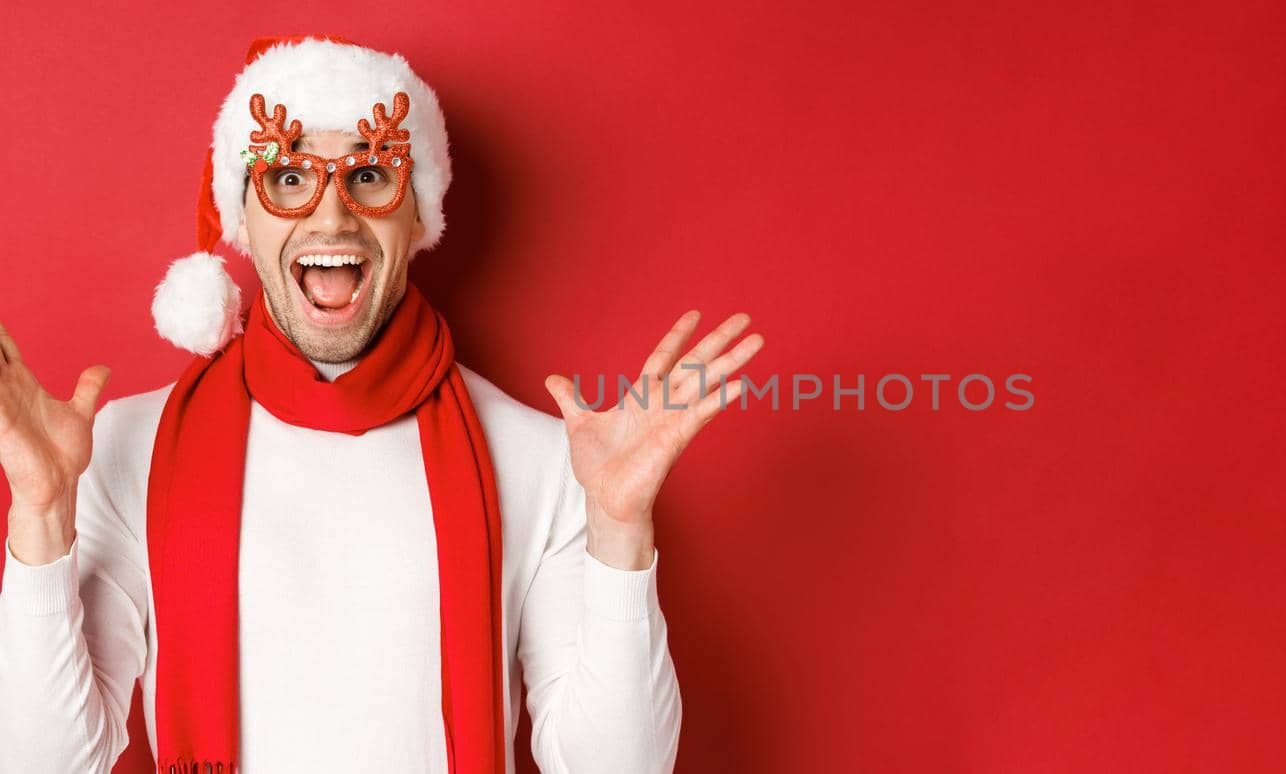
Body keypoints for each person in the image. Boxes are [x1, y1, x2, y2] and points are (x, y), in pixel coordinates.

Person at [0, 35, 762, 773]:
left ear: (418, 217)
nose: (330, 220)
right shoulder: (128, 447)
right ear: (245, 219)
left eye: (369, 177)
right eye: (289, 179)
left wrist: (619, 533)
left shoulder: (543, 458)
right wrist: (38, 518)